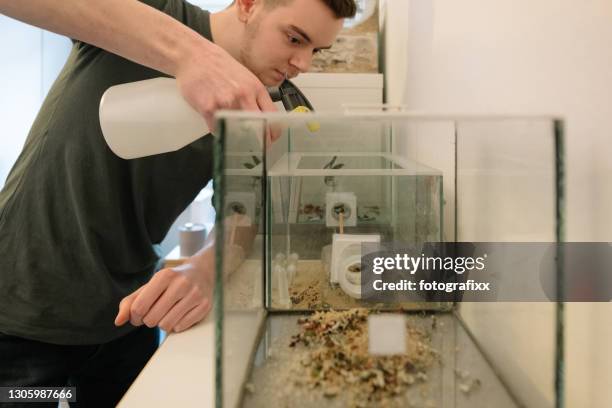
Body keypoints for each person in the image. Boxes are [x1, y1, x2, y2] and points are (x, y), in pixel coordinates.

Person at [0, 0, 355, 406]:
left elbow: (242, 215)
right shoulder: (157, 12)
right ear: (249, 5)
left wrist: (203, 269)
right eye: (295, 38)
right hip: (22, 317)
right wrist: (194, 56)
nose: (303, 64)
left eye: (316, 51)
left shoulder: (253, 99)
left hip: (128, 316)